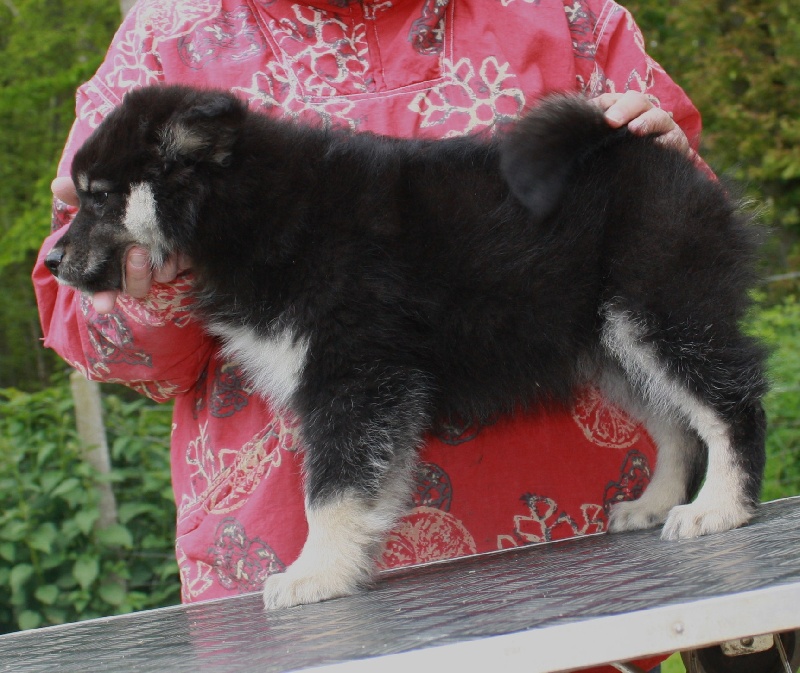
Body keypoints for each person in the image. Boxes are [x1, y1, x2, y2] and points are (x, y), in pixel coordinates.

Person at [35, 1, 704, 670]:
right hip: (298, 585)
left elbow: (691, 251)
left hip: (574, 564)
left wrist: (664, 168)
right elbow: (85, 327)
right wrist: (160, 278)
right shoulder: (166, 41)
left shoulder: (569, 17)